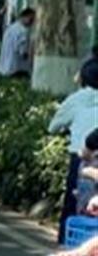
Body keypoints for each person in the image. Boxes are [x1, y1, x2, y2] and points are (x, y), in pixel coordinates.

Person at [48, 54, 98, 241]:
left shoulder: (76, 99)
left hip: (81, 156)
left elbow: (53, 127)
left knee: (73, 202)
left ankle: (66, 240)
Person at [0, 6, 35, 78]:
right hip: (17, 69)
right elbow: (23, 52)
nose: (32, 23)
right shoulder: (23, 31)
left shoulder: (10, 28)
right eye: (31, 20)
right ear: (24, 17)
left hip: (5, 68)